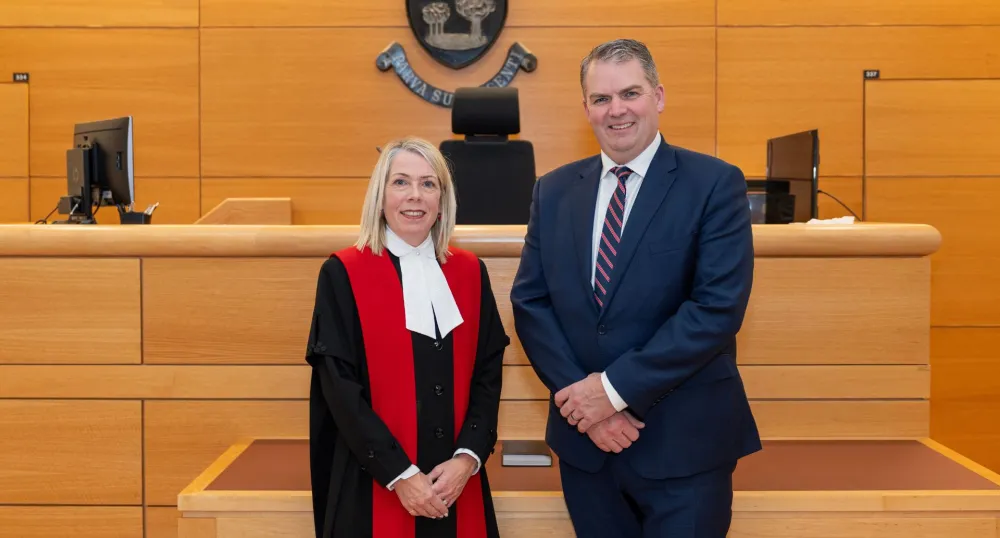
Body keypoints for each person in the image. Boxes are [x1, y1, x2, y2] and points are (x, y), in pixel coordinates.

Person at [510, 38, 761, 537]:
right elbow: (531, 302)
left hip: (684, 445)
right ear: (586, 108)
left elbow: (715, 309)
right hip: (587, 449)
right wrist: (585, 407)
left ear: (659, 96)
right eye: (601, 99)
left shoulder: (714, 183)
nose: (616, 110)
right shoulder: (554, 190)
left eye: (630, 93)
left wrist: (612, 391)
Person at [306, 136, 509, 538]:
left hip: (457, 486)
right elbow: (339, 390)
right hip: (376, 484)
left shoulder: (469, 272)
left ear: (442, 199)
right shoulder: (343, 273)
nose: (415, 196)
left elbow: (488, 375)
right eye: (401, 182)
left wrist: (468, 457)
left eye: (428, 184)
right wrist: (400, 474)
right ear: (379, 196)